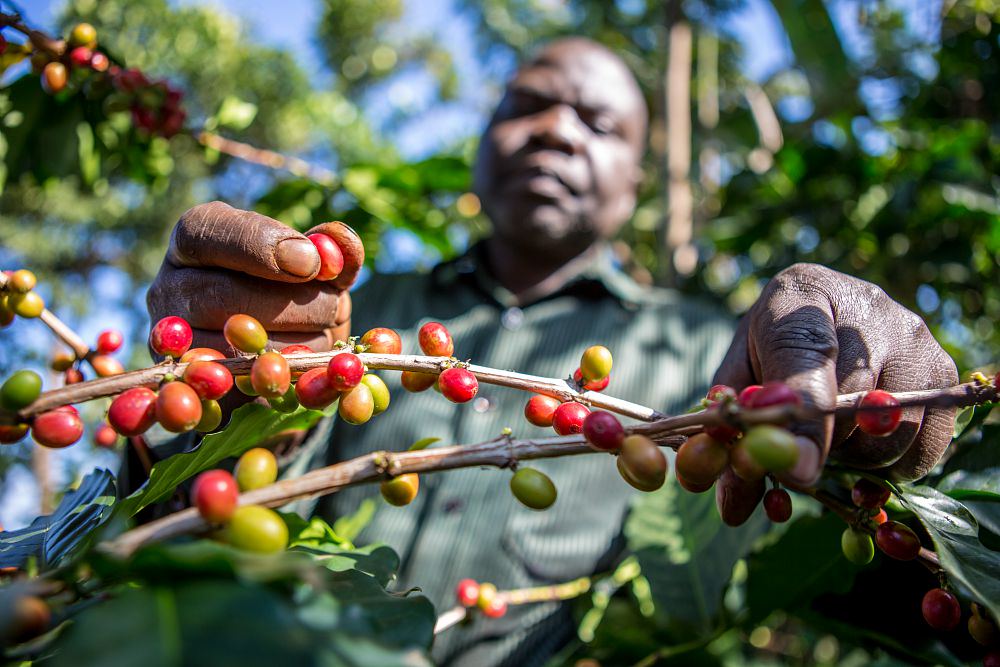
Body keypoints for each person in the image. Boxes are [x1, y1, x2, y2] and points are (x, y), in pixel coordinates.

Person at [145, 37, 958, 666]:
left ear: (634, 180)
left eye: (598, 123)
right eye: (528, 104)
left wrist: (877, 435)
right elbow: (170, 521)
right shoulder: (352, 313)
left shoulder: (713, 357)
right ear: (484, 137)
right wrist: (228, 401)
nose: (558, 132)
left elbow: (897, 598)